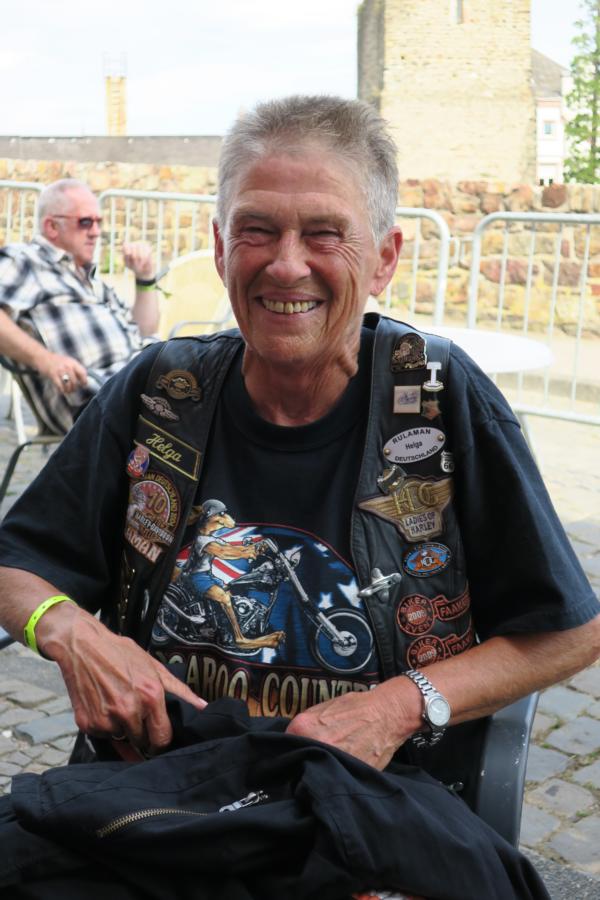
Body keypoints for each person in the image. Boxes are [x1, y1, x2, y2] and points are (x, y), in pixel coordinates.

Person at [0, 95, 598, 832]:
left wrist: (395, 707)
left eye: (324, 233)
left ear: (384, 259)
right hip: (156, 798)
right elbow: (16, 564)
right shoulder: (160, 391)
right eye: (256, 230)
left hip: (366, 809)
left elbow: (568, 631)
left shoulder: (438, 399)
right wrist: (72, 632)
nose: (287, 265)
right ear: (221, 248)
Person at [0, 178, 161, 432]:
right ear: (52, 226)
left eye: (99, 222)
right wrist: (46, 360)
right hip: (97, 400)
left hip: (140, 383)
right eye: (85, 222)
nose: (96, 232)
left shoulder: (90, 279)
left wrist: (145, 278)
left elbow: (144, 330)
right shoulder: (25, 261)